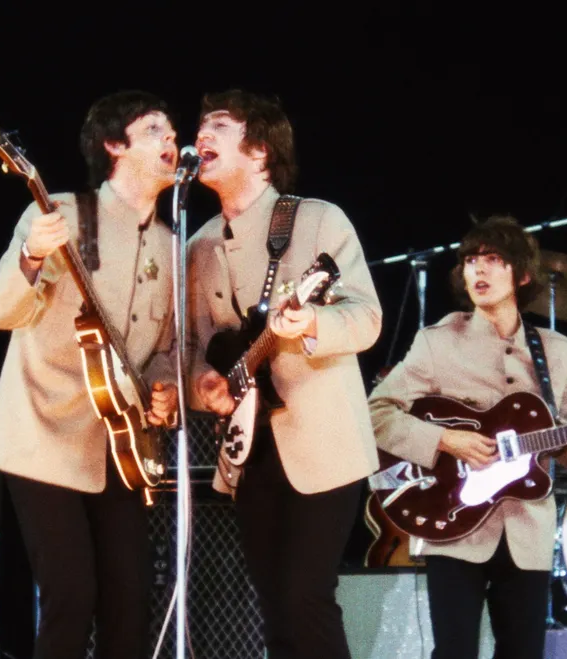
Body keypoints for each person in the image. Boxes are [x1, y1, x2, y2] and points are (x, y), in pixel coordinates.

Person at [367, 215, 567, 659]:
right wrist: (446, 442)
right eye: (470, 261)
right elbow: (375, 412)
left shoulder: (561, 354)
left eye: (493, 259)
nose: (478, 270)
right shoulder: (437, 342)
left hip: (528, 532)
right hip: (453, 523)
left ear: (522, 275)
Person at [0, 90, 181, 659]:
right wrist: (30, 257)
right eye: (153, 130)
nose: (171, 139)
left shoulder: (172, 245)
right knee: (70, 596)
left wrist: (164, 388)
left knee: (130, 601)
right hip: (44, 435)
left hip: (121, 444)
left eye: (172, 130)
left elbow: (164, 347)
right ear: (114, 146)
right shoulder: (61, 213)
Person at [186, 89, 383, 659]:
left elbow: (366, 316)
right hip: (248, 449)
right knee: (274, 606)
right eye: (200, 124)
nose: (201, 134)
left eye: (218, 124)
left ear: (260, 151)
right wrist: (205, 387)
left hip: (323, 442)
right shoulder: (198, 245)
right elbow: (200, 351)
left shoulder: (318, 219)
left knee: (306, 596)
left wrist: (310, 321)